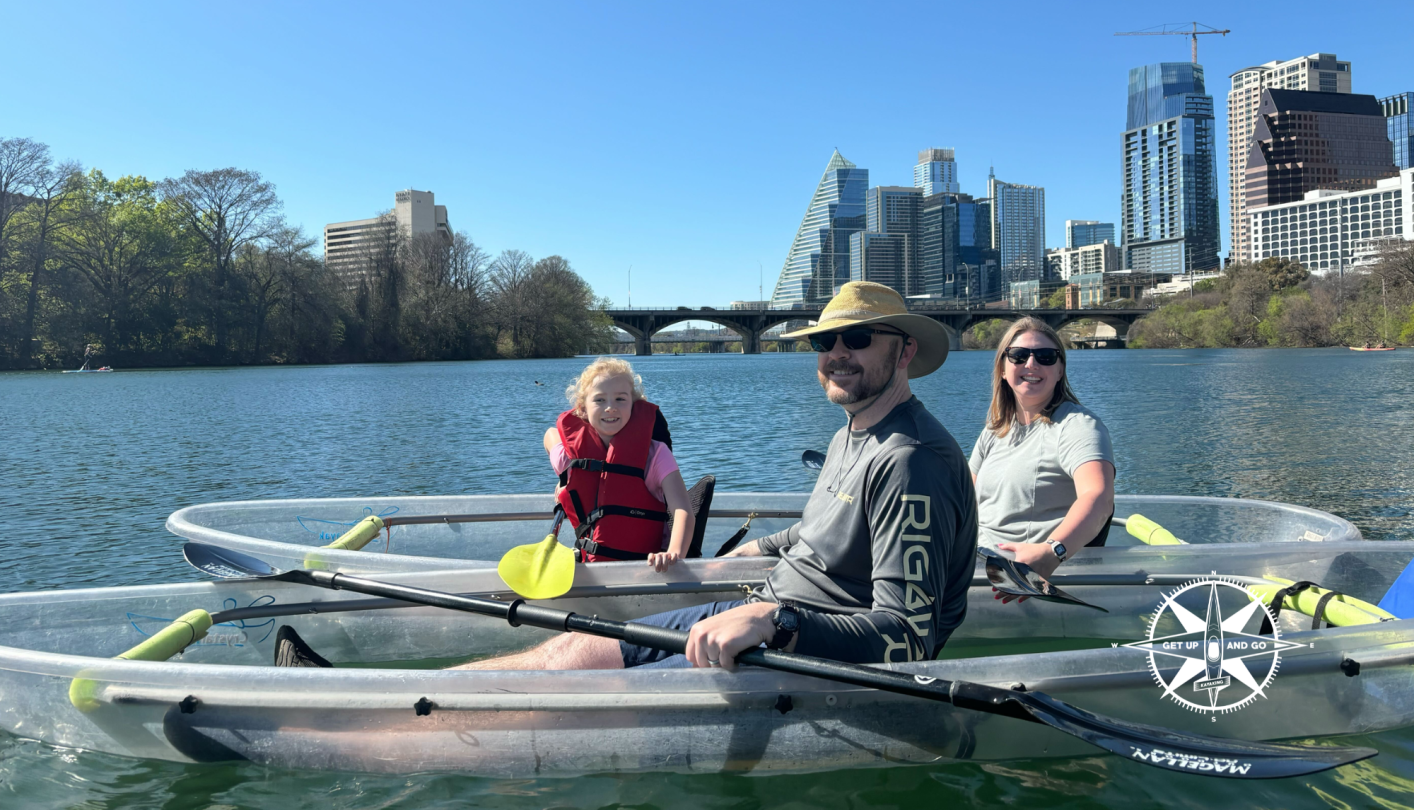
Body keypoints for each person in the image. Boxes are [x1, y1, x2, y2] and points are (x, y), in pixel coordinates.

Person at [436, 281, 976, 673]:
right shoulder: (851, 433)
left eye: (856, 338)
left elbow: (909, 639)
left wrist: (778, 623)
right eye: (823, 342)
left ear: (904, 351)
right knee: (569, 654)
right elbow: (822, 533)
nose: (837, 354)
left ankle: (397, 733)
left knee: (568, 700)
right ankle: (404, 696)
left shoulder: (913, 461)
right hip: (759, 612)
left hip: (794, 653)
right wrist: (753, 549)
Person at [971, 316, 1115, 580]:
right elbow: (963, 501)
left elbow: (1098, 497)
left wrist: (1052, 551)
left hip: (1030, 582)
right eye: (1018, 355)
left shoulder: (1078, 426)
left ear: (1060, 370)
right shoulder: (994, 430)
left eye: (1046, 356)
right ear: (1002, 368)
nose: (1031, 364)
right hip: (977, 572)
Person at [546, 357, 694, 572]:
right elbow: (550, 435)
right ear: (583, 410)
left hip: (650, 568)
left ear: (634, 406)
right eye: (599, 400)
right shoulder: (569, 459)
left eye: (620, 399)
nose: (610, 408)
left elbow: (683, 510)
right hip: (594, 572)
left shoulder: (656, 455)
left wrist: (673, 554)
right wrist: (563, 479)